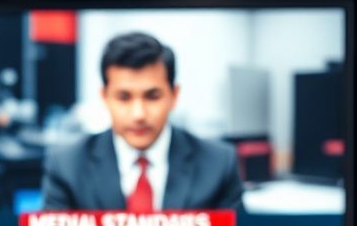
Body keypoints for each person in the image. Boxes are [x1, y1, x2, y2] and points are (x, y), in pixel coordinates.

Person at [41, 32, 243, 212]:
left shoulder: (219, 164)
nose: (138, 114)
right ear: (104, 97)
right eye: (124, 97)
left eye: (152, 96)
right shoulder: (66, 165)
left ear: (174, 95)